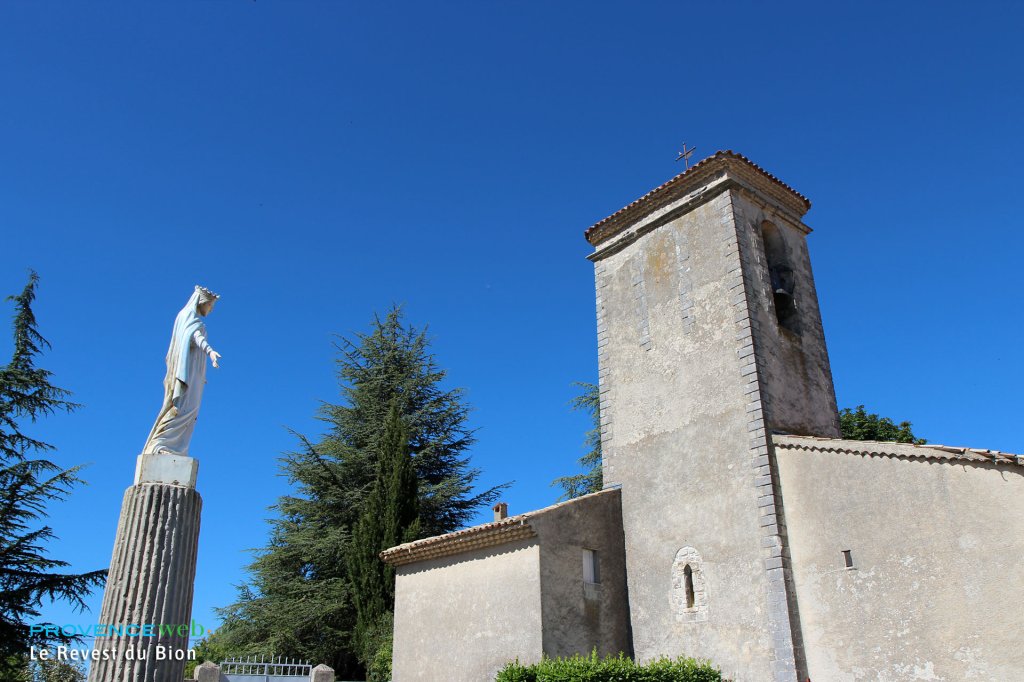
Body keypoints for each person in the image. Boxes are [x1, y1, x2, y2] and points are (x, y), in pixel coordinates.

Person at [142, 286, 222, 456]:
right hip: (187, 374)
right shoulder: (192, 319)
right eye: (211, 305)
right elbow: (195, 337)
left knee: (188, 411)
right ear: (202, 302)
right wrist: (210, 351)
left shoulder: (184, 317)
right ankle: (161, 446)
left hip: (193, 372)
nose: (211, 309)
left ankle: (174, 448)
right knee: (183, 409)